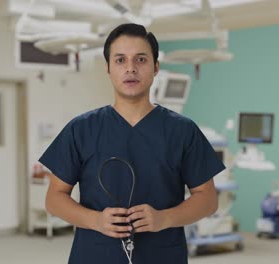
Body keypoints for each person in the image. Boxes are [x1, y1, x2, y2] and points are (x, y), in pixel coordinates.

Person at [39, 23, 224, 263]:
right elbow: (54, 198)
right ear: (107, 68)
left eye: (140, 59)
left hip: (162, 255)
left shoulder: (182, 130)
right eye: (120, 60)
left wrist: (163, 218)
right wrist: (95, 220)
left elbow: (208, 200)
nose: (130, 68)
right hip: (94, 255)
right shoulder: (81, 129)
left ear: (155, 67)